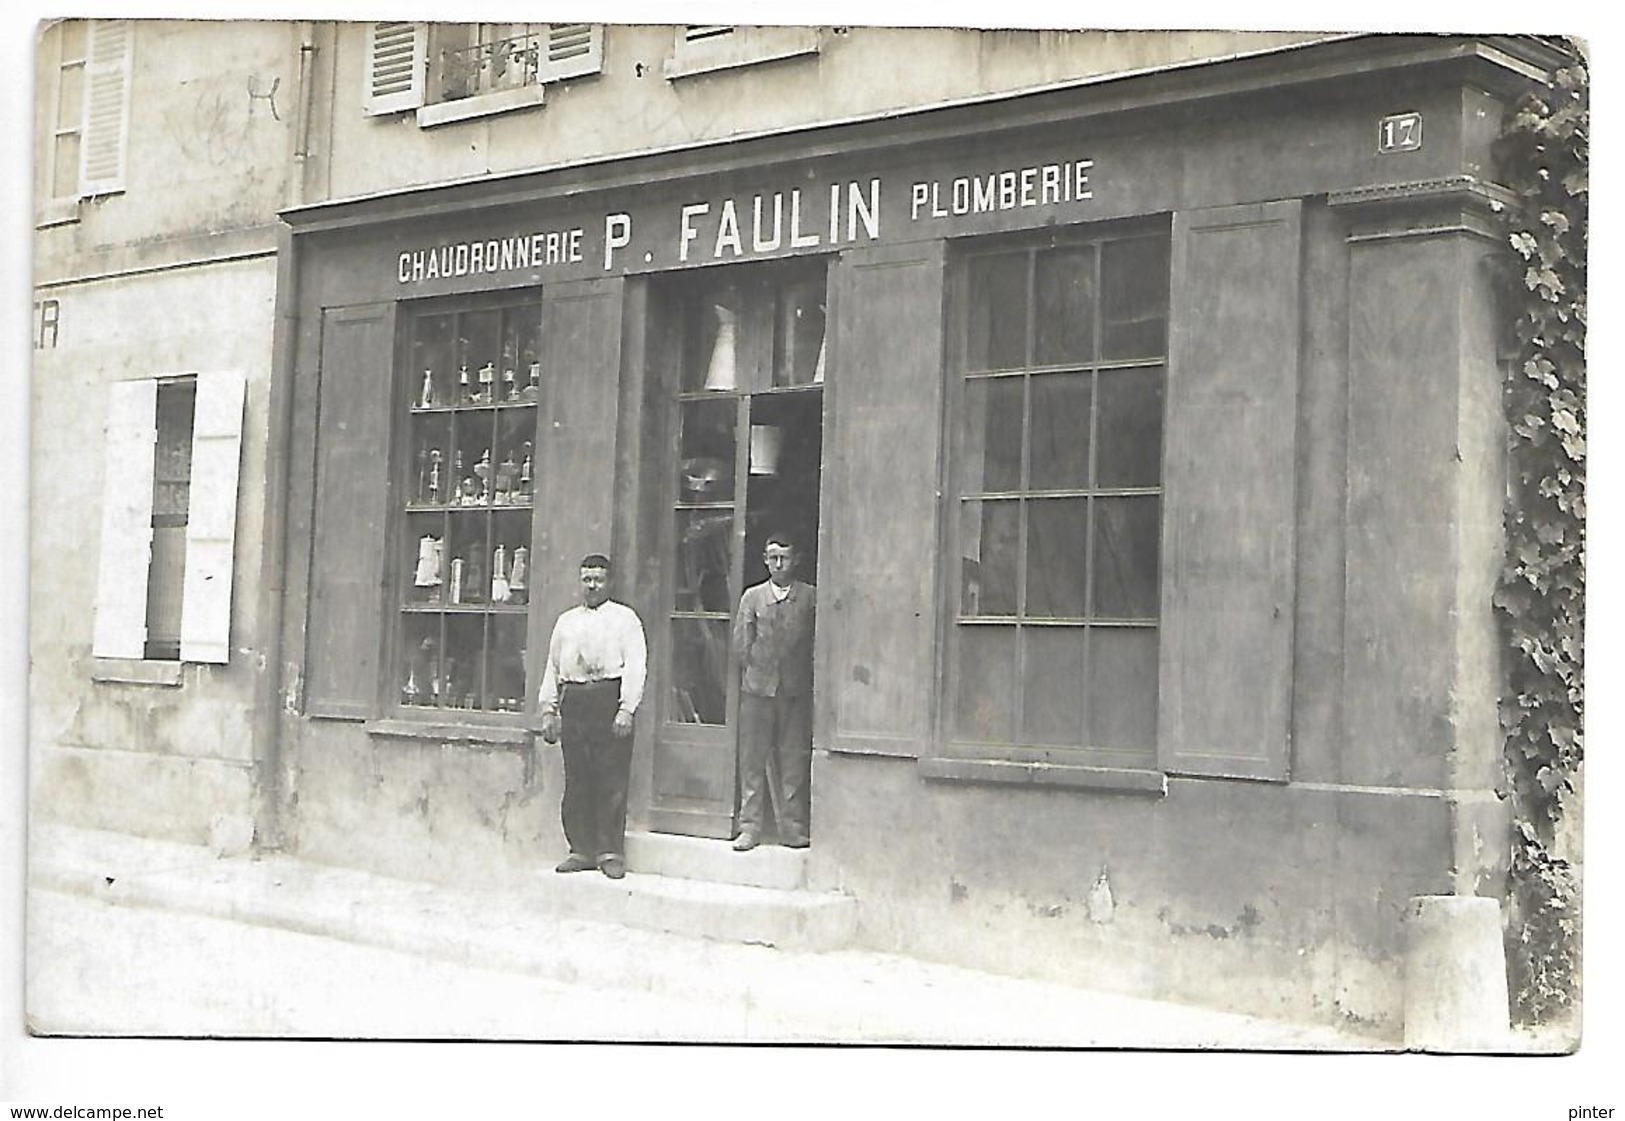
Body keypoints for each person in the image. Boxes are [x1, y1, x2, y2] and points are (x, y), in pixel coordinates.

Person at [538, 554, 647, 879]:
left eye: (598, 579)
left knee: (610, 778)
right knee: (578, 778)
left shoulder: (625, 619)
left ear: (609, 582)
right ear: (579, 581)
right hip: (576, 702)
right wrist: (548, 709)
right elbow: (553, 668)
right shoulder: (566, 622)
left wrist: (627, 708)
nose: (592, 586)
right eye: (586, 579)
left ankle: (609, 851)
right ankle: (581, 849)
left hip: (608, 700)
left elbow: (636, 666)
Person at [731, 533, 816, 851]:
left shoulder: (809, 596)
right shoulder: (752, 597)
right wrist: (756, 672)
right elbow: (741, 643)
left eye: (785, 557)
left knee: (793, 760)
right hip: (757, 690)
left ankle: (791, 828)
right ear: (765, 560)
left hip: (795, 692)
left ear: (796, 560)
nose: (778, 564)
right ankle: (749, 827)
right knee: (753, 760)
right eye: (772, 557)